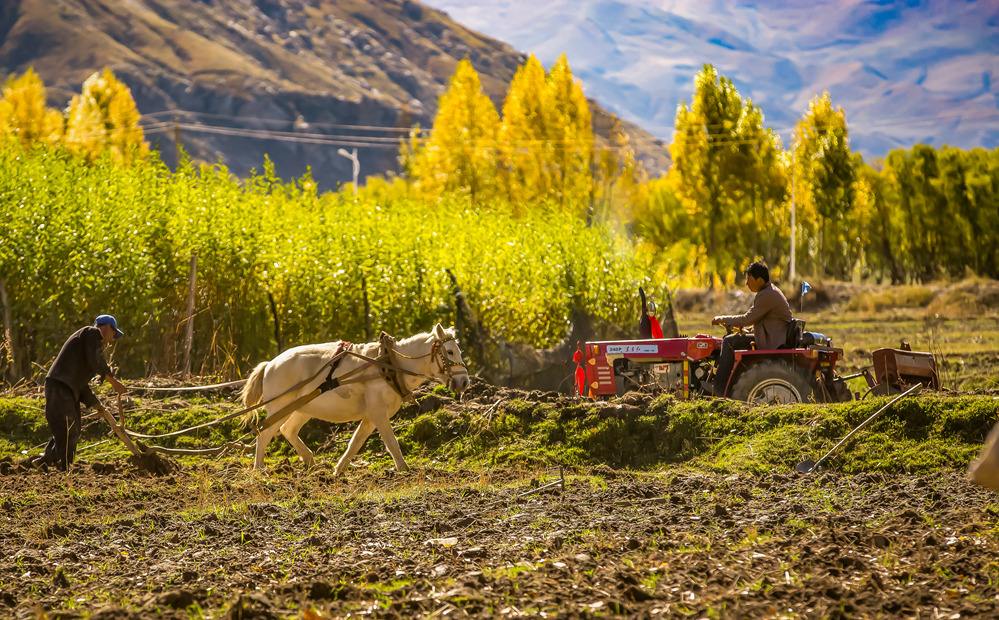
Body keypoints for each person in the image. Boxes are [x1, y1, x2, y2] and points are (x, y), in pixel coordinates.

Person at [37, 315, 126, 470]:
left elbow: (82, 386)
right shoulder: (91, 333)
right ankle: (64, 468)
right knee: (68, 427)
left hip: (66, 388)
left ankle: (46, 461)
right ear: (106, 328)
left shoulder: (86, 352)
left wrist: (97, 405)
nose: (111, 340)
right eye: (113, 334)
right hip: (60, 386)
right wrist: (114, 382)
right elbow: (96, 360)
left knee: (73, 428)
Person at [709, 262, 792, 396]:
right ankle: (729, 383)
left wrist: (723, 318)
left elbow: (747, 319)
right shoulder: (770, 291)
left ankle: (718, 388)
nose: (747, 283)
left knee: (729, 342)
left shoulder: (767, 295)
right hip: (772, 336)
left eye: (749, 279)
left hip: (772, 342)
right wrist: (748, 330)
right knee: (733, 339)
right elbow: (762, 321)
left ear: (759, 279)